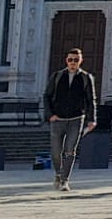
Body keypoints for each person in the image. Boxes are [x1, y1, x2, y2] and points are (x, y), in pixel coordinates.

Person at [42, 48, 97, 192]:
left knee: (70, 151)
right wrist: (50, 115)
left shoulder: (86, 78)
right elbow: (46, 96)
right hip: (57, 119)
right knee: (56, 152)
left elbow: (91, 100)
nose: (73, 62)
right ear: (66, 60)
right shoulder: (57, 76)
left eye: (76, 60)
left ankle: (65, 180)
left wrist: (92, 119)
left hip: (76, 118)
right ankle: (58, 174)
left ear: (81, 61)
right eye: (70, 59)